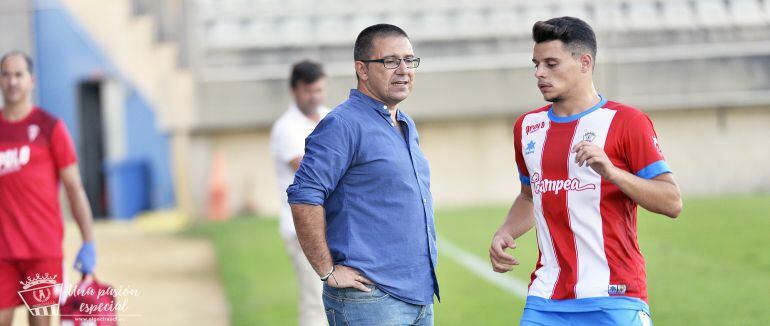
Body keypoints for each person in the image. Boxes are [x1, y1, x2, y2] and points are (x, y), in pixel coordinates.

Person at [488, 17, 682, 325]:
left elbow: (671, 202)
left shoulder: (627, 122)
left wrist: (613, 172)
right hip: (545, 298)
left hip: (614, 295)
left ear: (584, 62)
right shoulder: (527, 127)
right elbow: (529, 196)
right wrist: (505, 231)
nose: (540, 73)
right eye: (536, 64)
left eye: (551, 63)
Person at [287, 24, 437, 325]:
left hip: (418, 296)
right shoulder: (342, 124)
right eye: (391, 61)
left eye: (409, 60)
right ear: (362, 69)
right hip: (370, 300)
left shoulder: (404, 123)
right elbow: (304, 195)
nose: (404, 70)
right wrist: (327, 270)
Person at [0, 51, 96, 326]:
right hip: (2, 252)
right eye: (6, 75)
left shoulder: (49, 128)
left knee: (40, 321)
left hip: (42, 250)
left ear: (32, 80)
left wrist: (88, 241)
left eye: (19, 75)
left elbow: (74, 188)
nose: (12, 82)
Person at [269, 60, 330, 326]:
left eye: (319, 90)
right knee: (315, 301)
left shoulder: (331, 117)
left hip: (332, 223)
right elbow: (311, 170)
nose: (315, 96)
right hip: (302, 227)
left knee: (338, 300)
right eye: (309, 91)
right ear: (295, 90)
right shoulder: (286, 128)